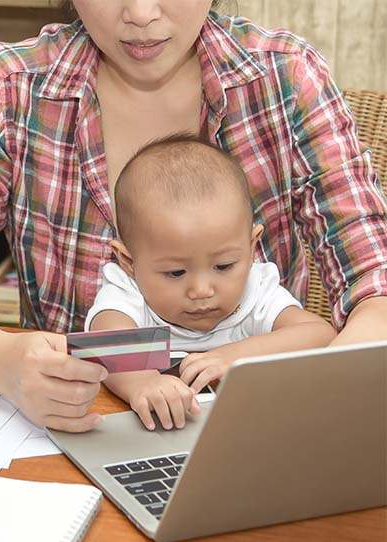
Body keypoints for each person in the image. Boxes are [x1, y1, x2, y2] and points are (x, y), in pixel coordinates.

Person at [0, 1, 387, 433]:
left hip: (262, 428)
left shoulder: (286, 76)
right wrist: (3, 363)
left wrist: (327, 395)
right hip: (74, 428)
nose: (141, 15)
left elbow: (376, 277)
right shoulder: (12, 86)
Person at [85, 134, 337, 430]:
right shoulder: (129, 288)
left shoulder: (255, 289)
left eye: (224, 266)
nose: (202, 290)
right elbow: (106, 343)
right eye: (176, 273)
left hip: (250, 428)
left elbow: (320, 335)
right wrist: (143, 382)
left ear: (252, 245)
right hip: (155, 433)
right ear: (129, 262)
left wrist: (238, 356)